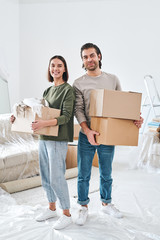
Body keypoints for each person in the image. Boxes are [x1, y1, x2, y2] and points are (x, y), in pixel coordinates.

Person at [73, 43, 143, 225]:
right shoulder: (78, 83)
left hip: (107, 135)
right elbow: (78, 110)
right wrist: (87, 131)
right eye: (85, 57)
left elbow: (121, 105)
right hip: (86, 135)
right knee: (84, 173)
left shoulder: (112, 79)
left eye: (92, 55)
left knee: (106, 172)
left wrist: (135, 119)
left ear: (99, 56)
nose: (89, 59)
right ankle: (83, 206)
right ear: (82, 60)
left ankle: (106, 203)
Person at [11, 55, 75, 230]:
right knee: (46, 175)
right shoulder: (47, 91)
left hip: (58, 140)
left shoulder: (68, 90)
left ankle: (67, 214)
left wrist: (43, 124)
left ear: (64, 69)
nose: (55, 69)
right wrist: (17, 117)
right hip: (44, 138)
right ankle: (52, 207)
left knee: (56, 177)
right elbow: (38, 113)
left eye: (59, 66)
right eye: (52, 65)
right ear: (49, 69)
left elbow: (66, 117)